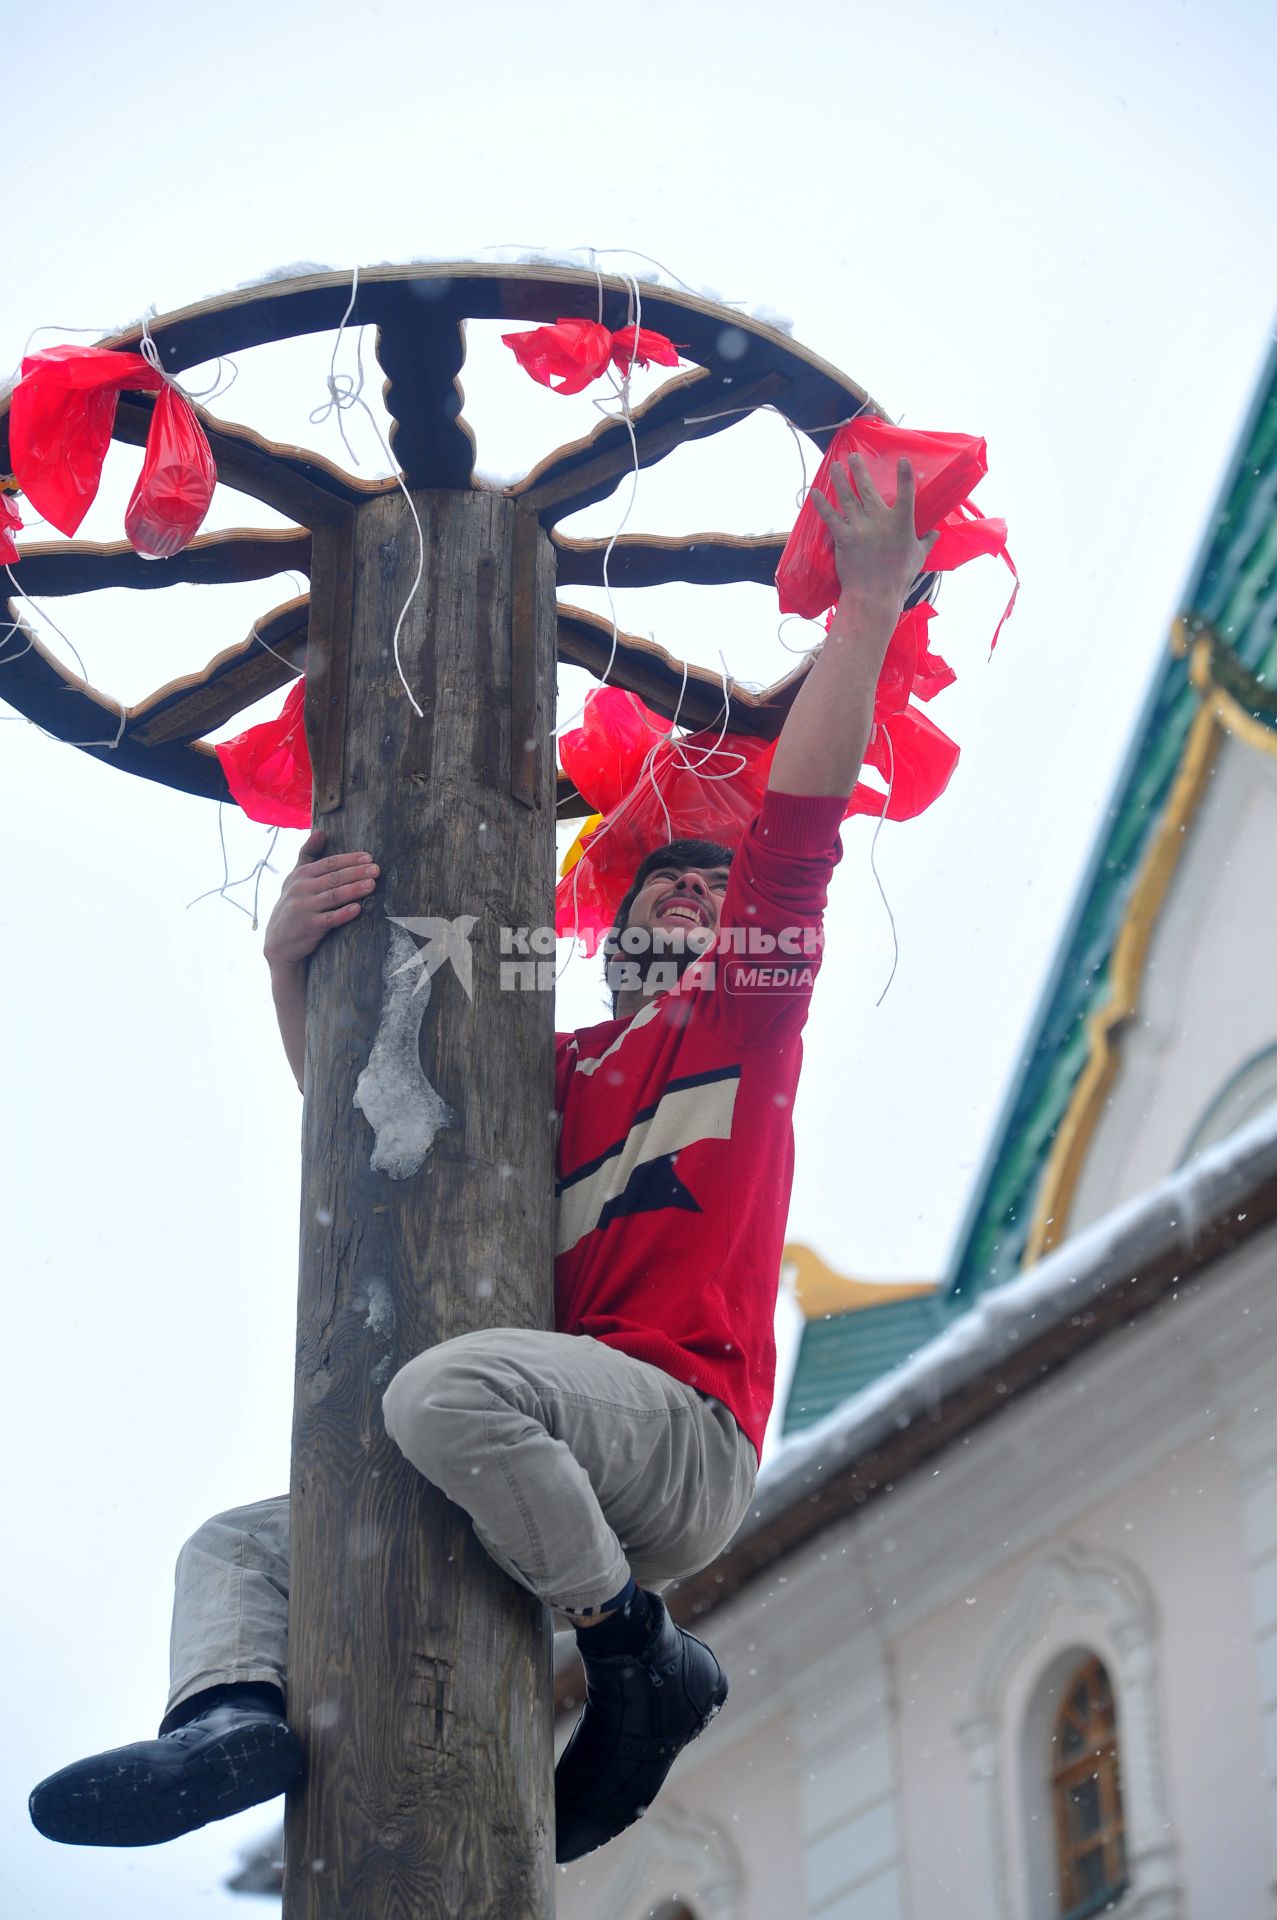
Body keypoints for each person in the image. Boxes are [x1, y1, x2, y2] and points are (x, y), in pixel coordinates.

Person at [29, 455, 933, 1863]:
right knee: (242, 1547)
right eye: (665, 883)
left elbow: (800, 837)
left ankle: (638, 1659)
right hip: (522, 1445)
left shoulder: (741, 1022)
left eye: (715, 883)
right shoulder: (543, 1081)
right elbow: (374, 1157)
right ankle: (233, 1722)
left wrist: (864, 612)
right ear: (608, 922)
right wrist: (289, 969)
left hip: (671, 1442)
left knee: (443, 1387)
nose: (701, 898)